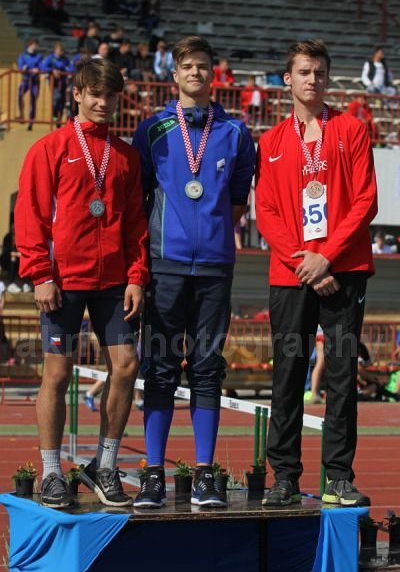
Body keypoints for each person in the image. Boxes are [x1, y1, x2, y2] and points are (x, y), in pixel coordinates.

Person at [14, 59, 149, 509]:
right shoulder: (49, 148)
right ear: (77, 94)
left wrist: (136, 276)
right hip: (63, 281)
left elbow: (136, 222)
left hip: (113, 281)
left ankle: (104, 465)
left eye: (111, 96)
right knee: (57, 373)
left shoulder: (126, 155)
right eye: (95, 94)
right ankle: (52, 471)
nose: (103, 103)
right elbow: (30, 216)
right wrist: (40, 274)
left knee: (126, 366)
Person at [132, 35, 255, 508]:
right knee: (160, 368)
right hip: (165, 265)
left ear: (212, 74)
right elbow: (141, 198)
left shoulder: (237, 133)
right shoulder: (152, 130)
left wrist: (212, 233)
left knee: (207, 368)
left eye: (203, 66)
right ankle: (153, 474)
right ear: (175, 74)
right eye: (188, 66)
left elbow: (238, 201)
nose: (196, 73)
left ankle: (205, 475)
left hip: (215, 267)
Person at [256, 39, 378, 507]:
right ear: (288, 79)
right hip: (292, 274)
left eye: (320, 72)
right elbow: (266, 211)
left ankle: (338, 477)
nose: (313, 79)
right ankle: (284, 476)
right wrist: (304, 262)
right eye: (304, 72)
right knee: (288, 373)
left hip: (343, 270)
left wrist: (325, 257)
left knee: (341, 375)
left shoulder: (352, 129)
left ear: (328, 79)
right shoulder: (271, 141)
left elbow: (365, 199)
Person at [41, 42, 70, 127]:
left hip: (63, 83)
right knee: (57, 98)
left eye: (62, 50)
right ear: (55, 50)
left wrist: (63, 72)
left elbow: (70, 68)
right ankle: (54, 115)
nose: (62, 52)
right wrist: (52, 70)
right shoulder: (50, 58)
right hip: (55, 83)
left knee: (63, 102)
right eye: (60, 50)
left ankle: (59, 119)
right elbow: (43, 67)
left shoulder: (65, 59)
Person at [17, 39, 42, 131]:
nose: (36, 47)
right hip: (26, 80)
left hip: (35, 81)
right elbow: (20, 66)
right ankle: (21, 114)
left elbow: (42, 66)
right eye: (35, 45)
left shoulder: (38, 56)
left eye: (37, 45)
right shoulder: (23, 55)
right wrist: (27, 69)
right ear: (30, 45)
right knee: (20, 94)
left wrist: (38, 69)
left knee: (33, 100)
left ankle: (31, 121)